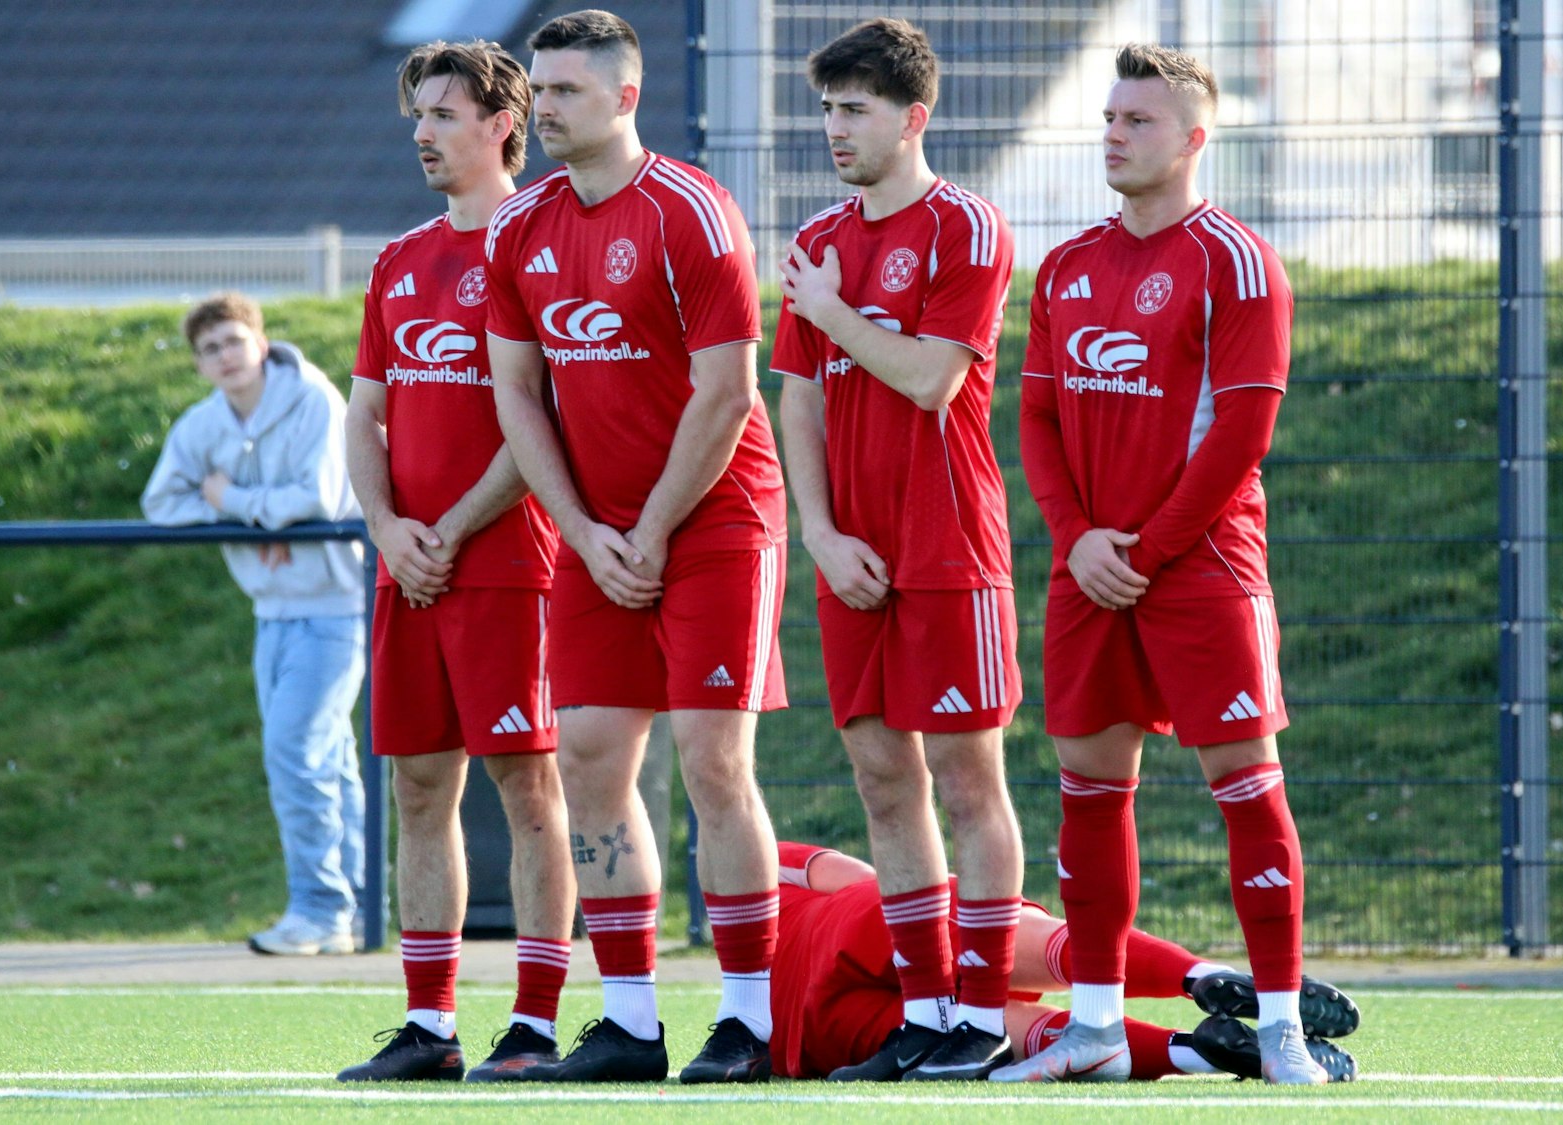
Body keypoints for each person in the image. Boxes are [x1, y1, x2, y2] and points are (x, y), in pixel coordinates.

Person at [485, 9, 788, 1084]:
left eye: (563, 91)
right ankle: (628, 1023)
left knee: (713, 763)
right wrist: (583, 532)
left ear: (624, 97)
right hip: (597, 538)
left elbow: (729, 390)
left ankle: (747, 1020)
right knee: (589, 767)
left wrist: (650, 529)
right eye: (536, 90)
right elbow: (516, 394)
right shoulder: (519, 229)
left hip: (712, 525)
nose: (541, 108)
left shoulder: (690, 212)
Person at [1010, 45, 1322, 1084]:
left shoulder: (1234, 259)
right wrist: (1077, 539)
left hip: (1198, 570)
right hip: (1089, 570)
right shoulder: (1063, 266)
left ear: (1193, 138)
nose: (1112, 134)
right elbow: (1039, 417)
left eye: (1136, 120)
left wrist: (1141, 549)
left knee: (1245, 787)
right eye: (1107, 117)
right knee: (1088, 795)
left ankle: (1278, 1025)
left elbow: (1240, 433)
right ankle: (1094, 1026)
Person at [771, 18, 1024, 1081]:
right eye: (826, 109)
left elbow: (932, 378)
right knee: (882, 780)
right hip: (852, 555)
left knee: (969, 782)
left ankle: (981, 1012)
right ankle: (924, 1009)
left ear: (911, 118)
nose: (833, 129)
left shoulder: (967, 227)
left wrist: (831, 311)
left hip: (946, 545)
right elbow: (794, 403)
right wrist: (818, 534)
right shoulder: (818, 237)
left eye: (854, 110)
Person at [330, 42, 579, 1085]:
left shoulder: (544, 246)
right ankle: (429, 1025)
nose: (422, 134)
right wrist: (389, 529)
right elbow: (365, 414)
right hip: (408, 568)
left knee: (530, 790)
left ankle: (530, 1024)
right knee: (419, 790)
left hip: (510, 563)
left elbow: (548, 424)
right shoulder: (400, 259)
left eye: (441, 114)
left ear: (499, 125)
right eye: (414, 117)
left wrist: (455, 527)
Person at [141, 292, 368, 958]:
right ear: (199, 364)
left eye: (233, 341)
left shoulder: (317, 401)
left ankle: (322, 908)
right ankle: (353, 908)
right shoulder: (203, 424)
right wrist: (251, 522)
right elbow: (161, 501)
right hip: (270, 613)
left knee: (296, 752)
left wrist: (233, 500)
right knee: (327, 759)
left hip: (336, 608)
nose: (224, 357)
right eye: (210, 349)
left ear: (261, 341)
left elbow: (319, 498)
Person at [770, 842, 1357, 1082]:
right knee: (1003, 945)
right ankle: (1203, 978)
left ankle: (1195, 1053)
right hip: (839, 927)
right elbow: (861, 881)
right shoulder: (763, 854)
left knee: (1006, 1033)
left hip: (805, 1032)